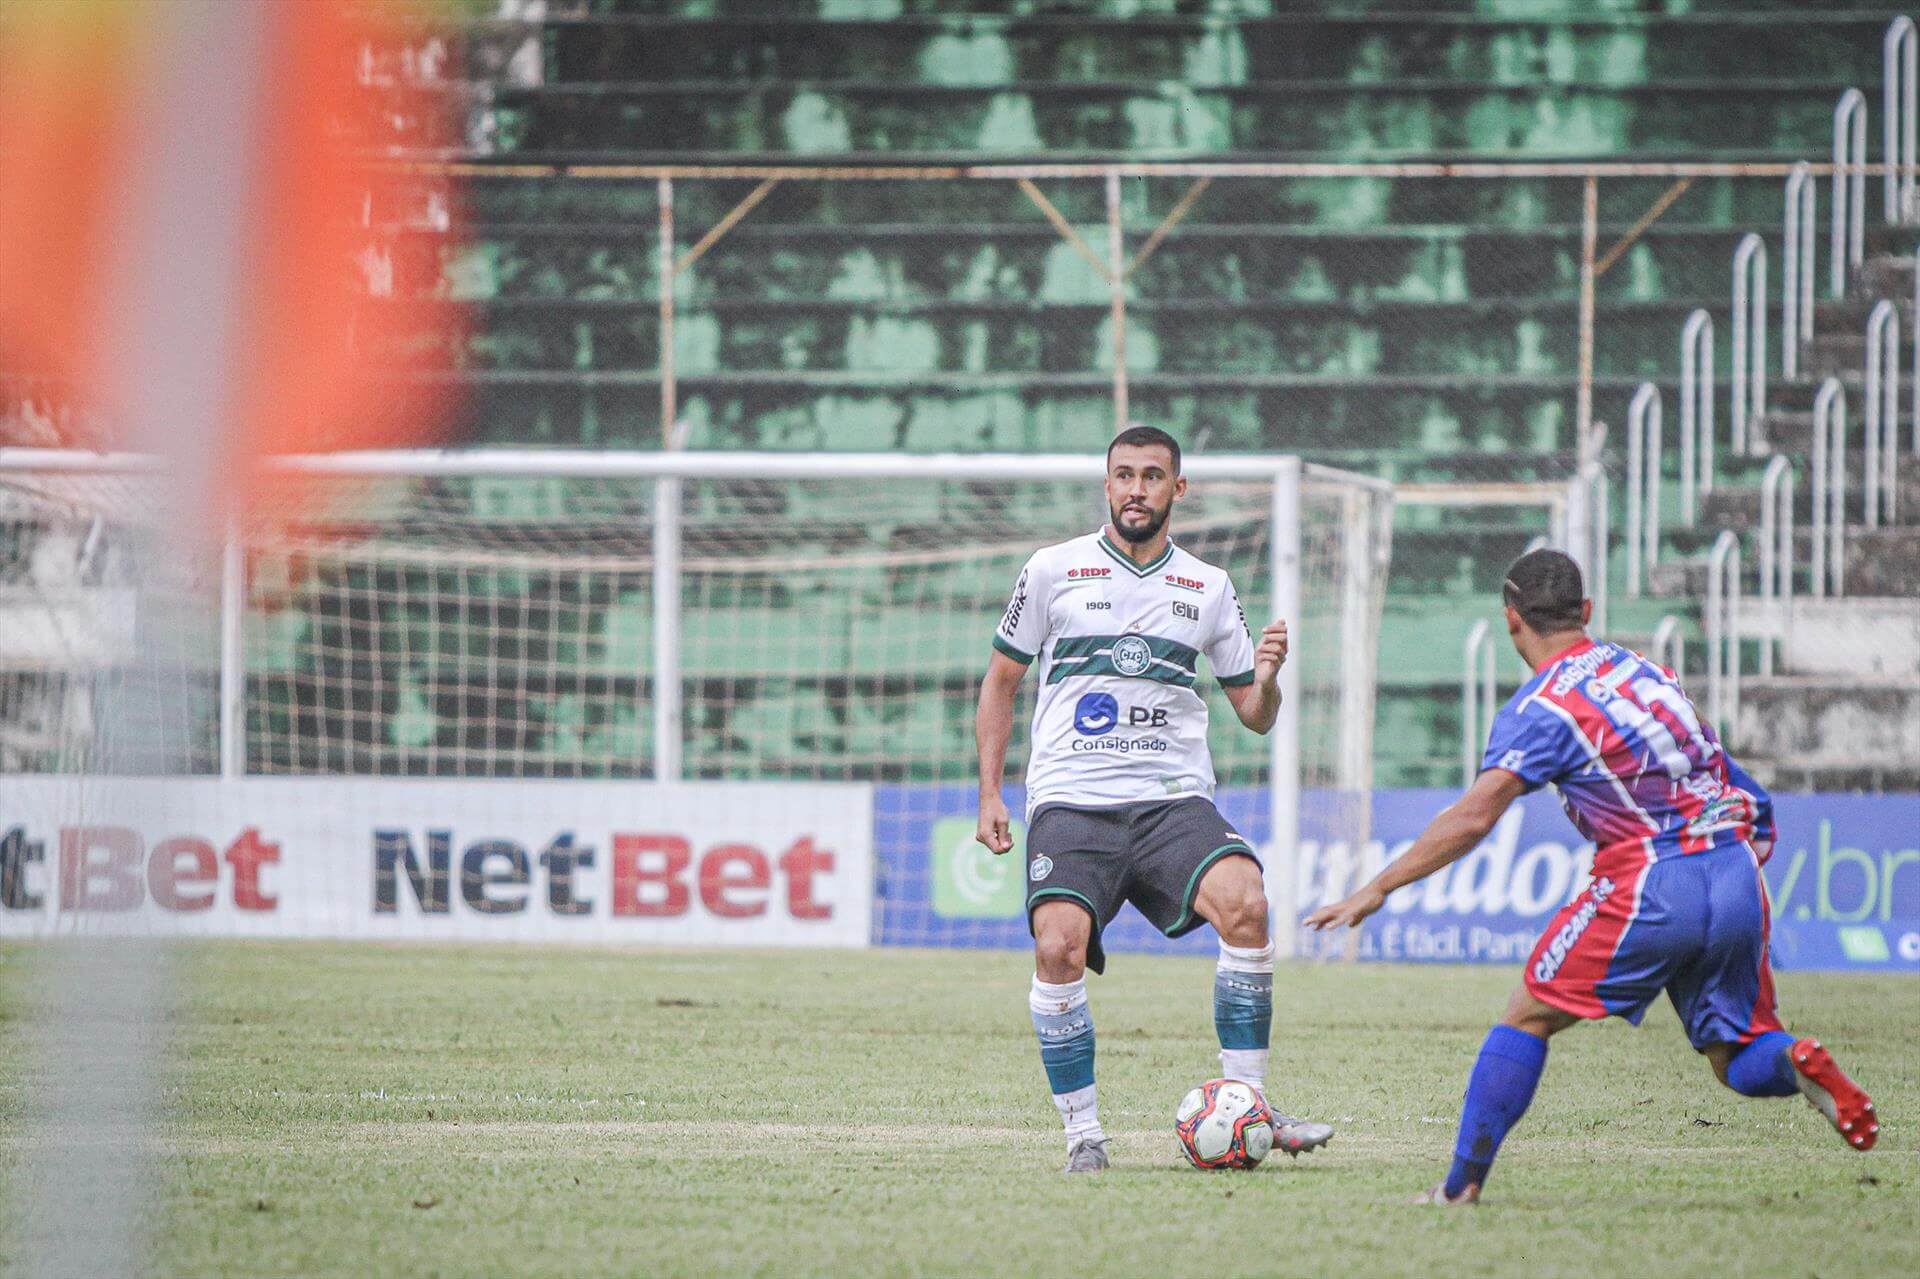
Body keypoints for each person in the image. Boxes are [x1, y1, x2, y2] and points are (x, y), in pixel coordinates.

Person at [1305, 549, 1879, 1204]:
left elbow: (1473, 816)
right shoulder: (1648, 673)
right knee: (1734, 1054)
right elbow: (1721, 767)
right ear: (1586, 612)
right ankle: (1795, 1059)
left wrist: (1377, 885)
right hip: (1733, 867)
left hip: (1653, 879)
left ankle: (1459, 1188)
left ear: (1511, 619)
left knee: (1526, 1016)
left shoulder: (1543, 707)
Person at [975, 424, 1333, 1173]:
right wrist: (990, 792)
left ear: (1179, 489)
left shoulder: (1207, 586)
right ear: (1107, 485)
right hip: (1073, 800)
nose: (1137, 489)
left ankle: (1249, 1106)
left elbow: (1254, 716)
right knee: (1056, 946)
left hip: (1171, 801)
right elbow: (1001, 681)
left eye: (1152, 476)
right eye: (1124, 475)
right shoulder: (1051, 570)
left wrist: (1266, 680)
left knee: (1248, 903)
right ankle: (1084, 1136)